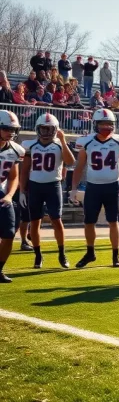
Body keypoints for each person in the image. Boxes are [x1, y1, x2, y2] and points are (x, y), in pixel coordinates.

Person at [71, 109, 119, 269]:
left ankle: (115, 255)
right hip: (93, 187)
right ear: (95, 124)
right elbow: (79, 166)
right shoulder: (86, 141)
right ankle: (90, 252)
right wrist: (73, 188)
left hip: (112, 186)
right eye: (103, 124)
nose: (106, 127)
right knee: (89, 222)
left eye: (109, 124)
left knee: (114, 221)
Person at [19, 113, 75, 270]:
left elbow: (70, 162)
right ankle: (37, 255)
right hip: (35, 186)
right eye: (43, 129)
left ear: (55, 130)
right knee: (34, 222)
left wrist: (63, 140)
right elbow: (24, 170)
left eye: (49, 129)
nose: (45, 133)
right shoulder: (30, 146)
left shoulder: (59, 145)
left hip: (53, 186)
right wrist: (22, 190)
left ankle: (62, 253)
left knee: (56, 220)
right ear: (38, 129)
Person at [0, 111, 24, 283]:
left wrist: (9, 195)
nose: (11, 133)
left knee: (8, 234)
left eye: (13, 129)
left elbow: (14, 177)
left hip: (2, 194)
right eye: (7, 128)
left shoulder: (16, 150)